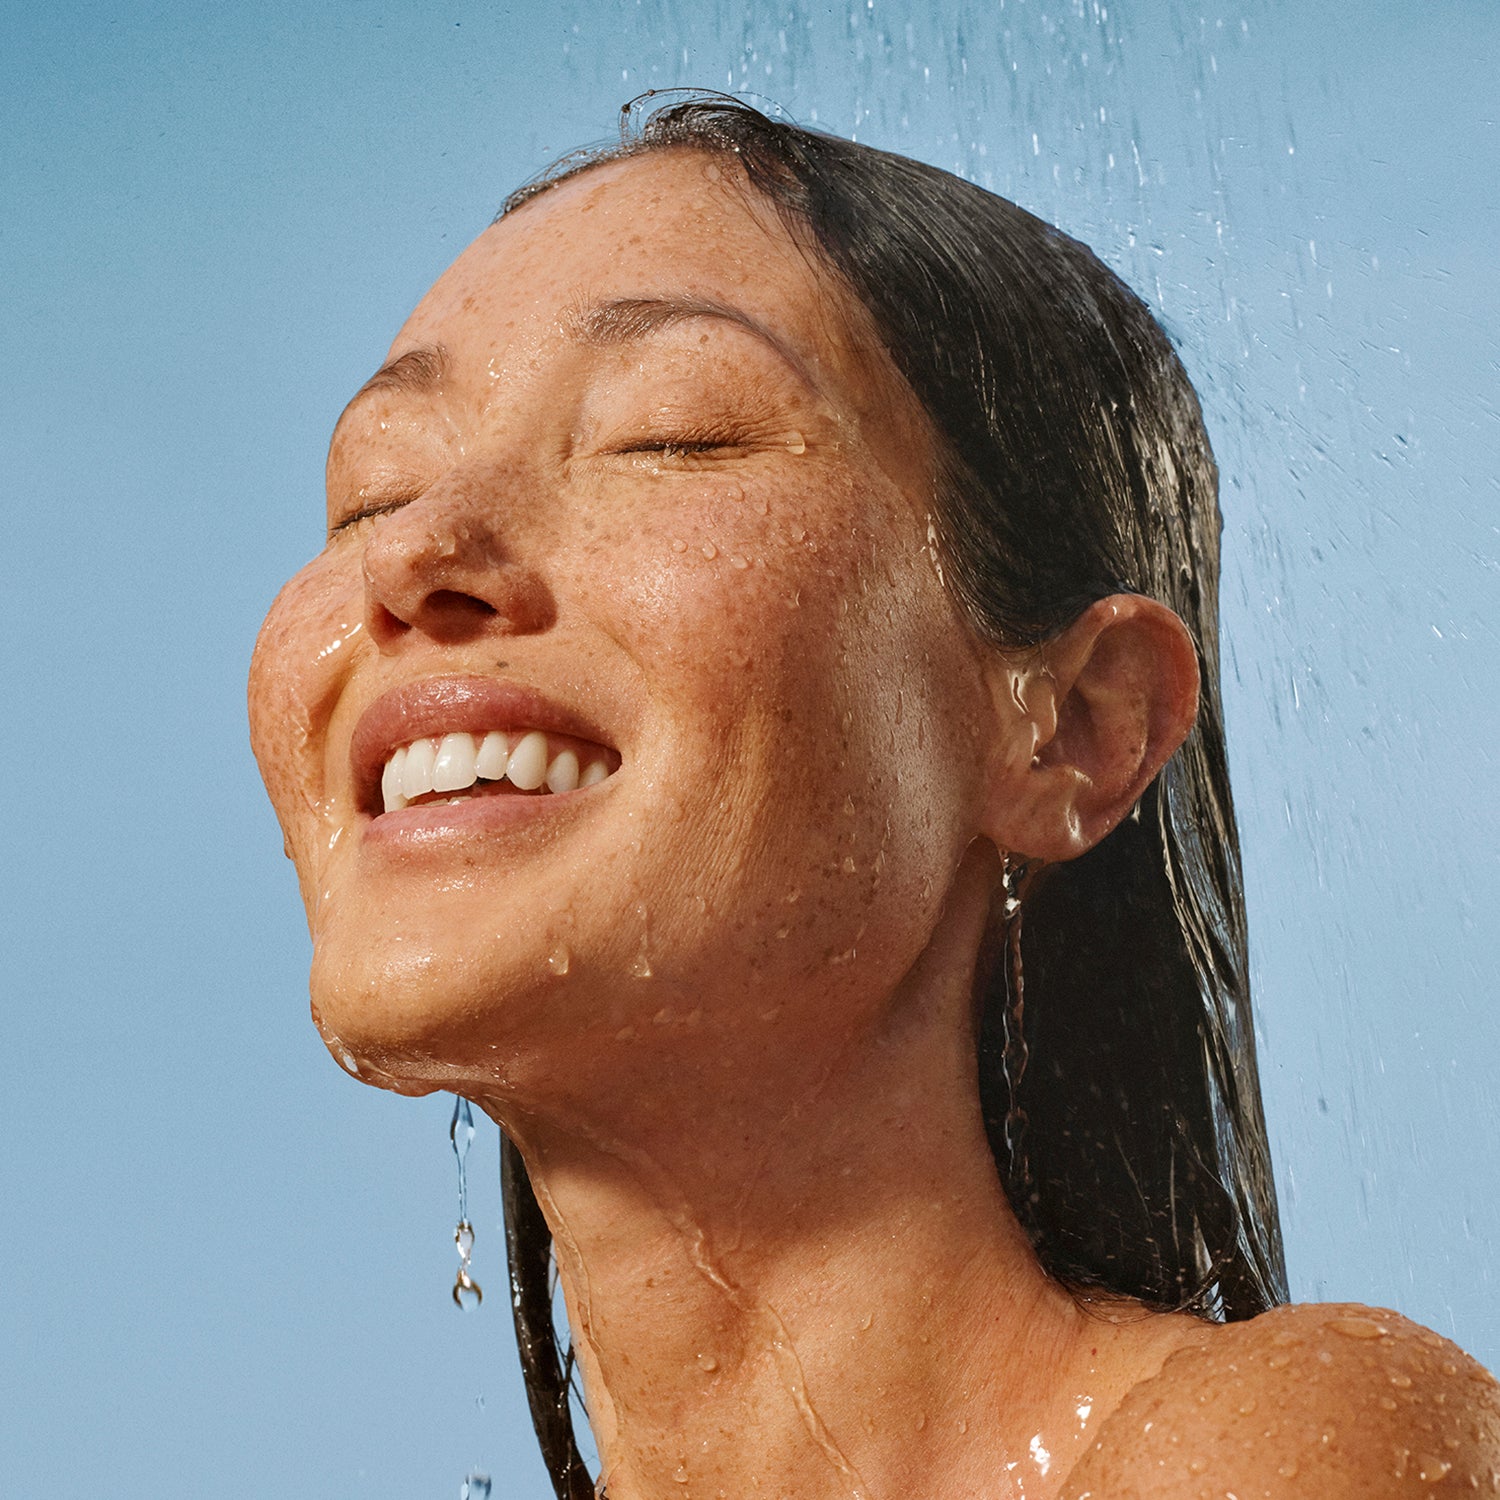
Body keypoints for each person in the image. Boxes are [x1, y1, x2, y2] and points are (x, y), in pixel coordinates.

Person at [248, 96, 1499, 1498]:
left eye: (675, 436)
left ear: (1075, 725)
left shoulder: (1276, 1451)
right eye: (371, 490)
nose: (414, 553)